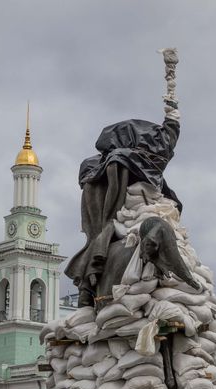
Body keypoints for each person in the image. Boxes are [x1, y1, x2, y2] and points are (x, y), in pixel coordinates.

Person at [65, 116, 181, 307]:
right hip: (123, 215)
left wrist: (172, 118)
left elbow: (168, 140)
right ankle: (90, 283)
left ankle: (88, 287)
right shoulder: (124, 160)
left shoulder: (97, 165)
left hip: (120, 217)